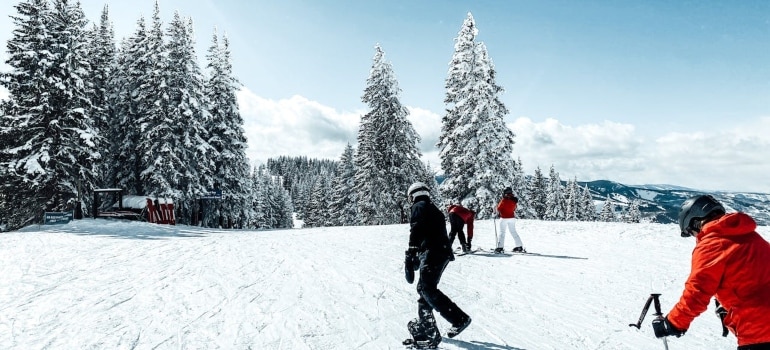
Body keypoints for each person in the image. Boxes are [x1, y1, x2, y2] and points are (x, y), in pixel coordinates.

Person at [651, 194, 770, 350]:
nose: (695, 237)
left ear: (695, 222)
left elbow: (697, 292)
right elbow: (753, 276)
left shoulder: (711, 245)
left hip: (759, 331)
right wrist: (724, 302)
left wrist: (672, 323)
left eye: (690, 231)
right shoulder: (750, 236)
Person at [403, 182, 472, 348]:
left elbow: (417, 228)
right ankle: (426, 328)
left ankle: (458, 318)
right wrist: (418, 254)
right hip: (438, 252)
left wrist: (412, 250)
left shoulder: (419, 206)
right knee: (424, 289)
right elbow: (429, 232)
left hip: (434, 252)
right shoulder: (430, 207)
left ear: (413, 195)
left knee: (426, 288)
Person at [494, 187, 524, 253]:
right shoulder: (514, 200)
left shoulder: (504, 200)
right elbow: (514, 208)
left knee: (502, 233)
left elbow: (498, 208)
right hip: (512, 218)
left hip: (504, 218)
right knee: (513, 232)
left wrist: (496, 210)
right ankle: (519, 246)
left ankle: (500, 247)